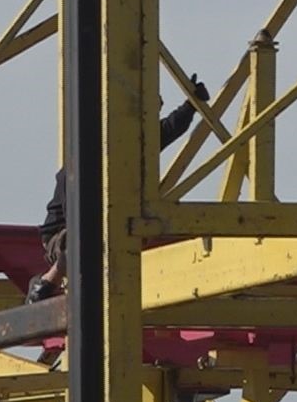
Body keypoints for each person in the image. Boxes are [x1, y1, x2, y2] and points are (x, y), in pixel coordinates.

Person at [25, 80, 208, 303]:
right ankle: (47, 282)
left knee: (121, 230)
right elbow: (72, 210)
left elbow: (172, 127)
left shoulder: (134, 143)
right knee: (83, 235)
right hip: (63, 231)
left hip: (109, 221)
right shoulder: (88, 156)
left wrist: (192, 103)